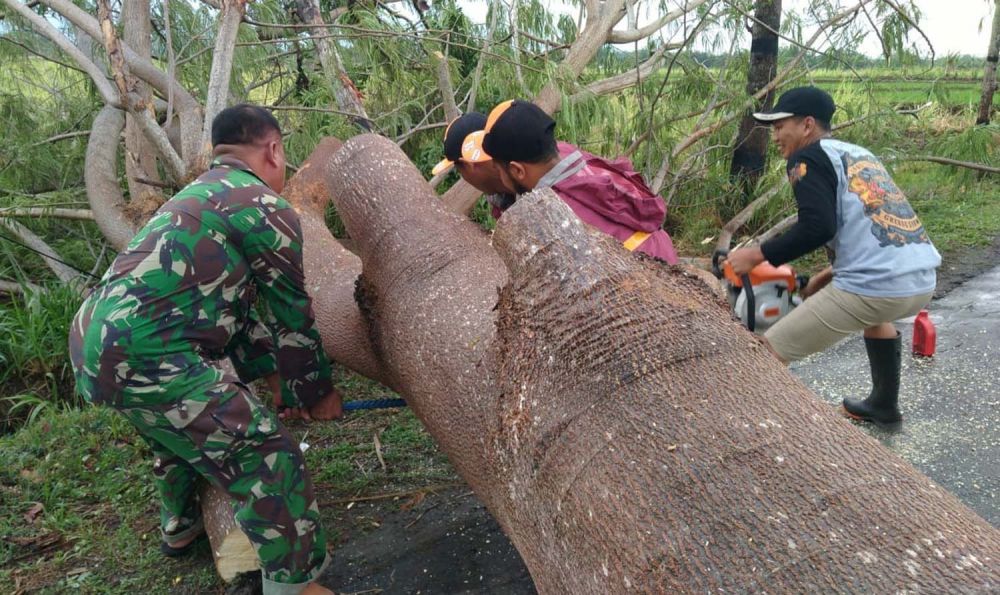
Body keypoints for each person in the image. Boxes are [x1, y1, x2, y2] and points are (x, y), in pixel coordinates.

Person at [69, 104, 340, 594]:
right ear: (273, 150)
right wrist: (315, 392)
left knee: (174, 433)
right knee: (269, 459)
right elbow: (291, 313)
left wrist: (278, 382)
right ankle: (298, 586)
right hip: (150, 352)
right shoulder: (263, 206)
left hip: (92, 344)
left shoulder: (194, 198)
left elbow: (237, 318)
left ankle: (180, 528)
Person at [725, 86, 940, 426]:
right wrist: (823, 279)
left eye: (781, 126)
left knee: (766, 353)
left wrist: (757, 254)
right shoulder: (857, 154)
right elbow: (867, 232)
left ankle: (748, 436)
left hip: (875, 288)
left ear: (807, 125)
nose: (776, 135)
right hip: (921, 281)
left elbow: (818, 227)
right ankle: (883, 405)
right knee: (877, 317)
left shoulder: (805, 159)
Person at [440, 101, 678, 264]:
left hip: (641, 284)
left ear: (516, 170)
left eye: (500, 168)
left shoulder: (548, 217)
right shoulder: (560, 156)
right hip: (663, 254)